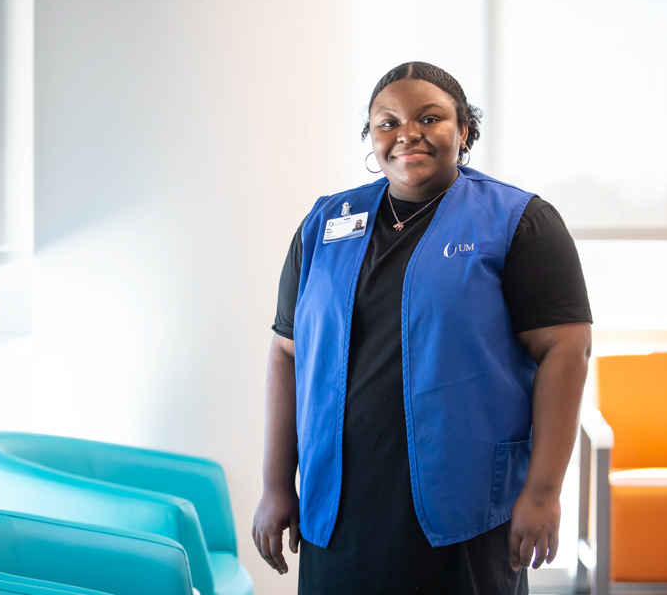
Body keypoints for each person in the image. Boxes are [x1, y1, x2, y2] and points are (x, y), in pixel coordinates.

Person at [252, 61, 592, 594]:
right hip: (339, 511)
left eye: (429, 118)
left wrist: (544, 491)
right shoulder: (324, 223)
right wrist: (277, 486)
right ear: (371, 138)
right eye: (387, 122)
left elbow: (566, 350)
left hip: (464, 513)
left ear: (464, 131)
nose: (407, 132)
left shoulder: (519, 221)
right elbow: (285, 352)